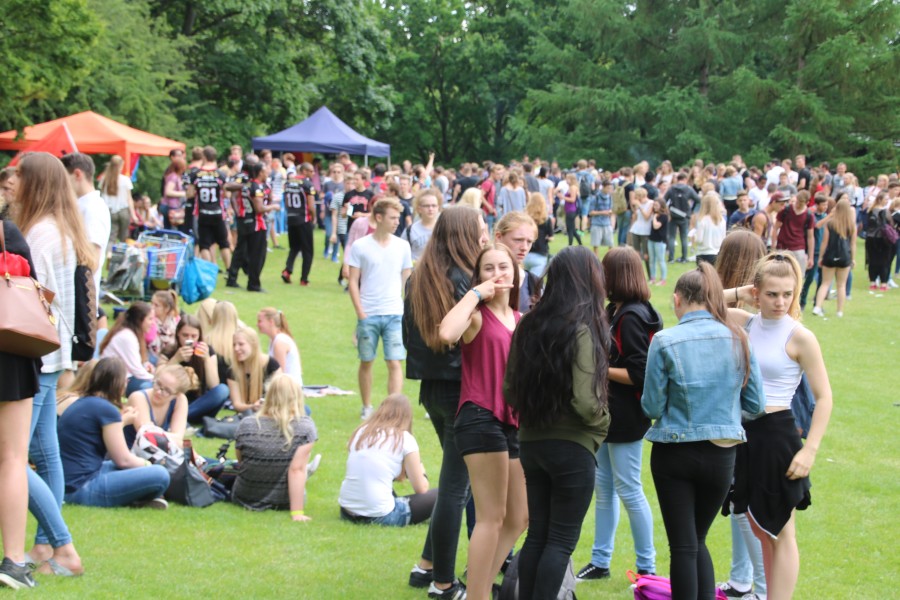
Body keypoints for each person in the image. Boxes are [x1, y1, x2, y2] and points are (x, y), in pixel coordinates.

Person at [642, 263, 765, 600]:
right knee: (696, 539)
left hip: (674, 450)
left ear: (678, 299)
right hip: (721, 453)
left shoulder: (665, 340)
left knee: (684, 545)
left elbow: (651, 407)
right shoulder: (739, 337)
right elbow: (755, 404)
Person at [504, 246, 612, 599]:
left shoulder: (527, 324)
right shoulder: (582, 330)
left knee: (538, 535)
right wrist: (603, 421)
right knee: (560, 541)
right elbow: (585, 401)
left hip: (532, 443)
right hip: (572, 447)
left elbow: (509, 389)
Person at [725, 253, 833, 600]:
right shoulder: (745, 322)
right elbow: (698, 303)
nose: (781, 301)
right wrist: (742, 291)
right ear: (758, 293)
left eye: (788, 293)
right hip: (744, 435)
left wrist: (810, 451)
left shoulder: (801, 337)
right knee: (759, 529)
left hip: (778, 435)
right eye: (772, 293)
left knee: (783, 531)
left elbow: (824, 398)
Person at [11, 152, 96, 580]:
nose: (12, 184)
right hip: (54, 352)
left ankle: (61, 545)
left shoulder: (41, 234)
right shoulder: (65, 229)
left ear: (35, 184)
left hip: (35, 353)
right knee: (45, 452)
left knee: (12, 459)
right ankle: (47, 544)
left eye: (18, 178)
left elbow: (31, 298)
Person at [403, 206, 488, 595]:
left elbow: (410, 339)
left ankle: (426, 565)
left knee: (455, 484)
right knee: (457, 489)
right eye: (481, 229)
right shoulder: (465, 282)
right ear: (464, 235)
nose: (486, 236)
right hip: (461, 389)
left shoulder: (420, 276)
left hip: (432, 390)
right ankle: (443, 582)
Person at [438, 243, 526, 600]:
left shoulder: (521, 319)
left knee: (519, 517)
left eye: (503, 267)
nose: (497, 274)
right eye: (488, 269)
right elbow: (446, 333)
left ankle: (478, 589)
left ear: (516, 272)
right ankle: (477, 595)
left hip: (514, 421)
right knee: (491, 516)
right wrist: (474, 294)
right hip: (479, 417)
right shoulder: (475, 315)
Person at [578, 246, 661, 583]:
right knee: (605, 488)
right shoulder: (619, 310)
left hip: (625, 417)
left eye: (604, 271)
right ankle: (600, 560)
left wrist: (599, 367)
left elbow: (640, 372)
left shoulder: (631, 317)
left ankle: (647, 568)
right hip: (611, 415)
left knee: (628, 489)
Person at [713, 230, 768, 600]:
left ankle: (757, 587)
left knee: (745, 507)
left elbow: (704, 302)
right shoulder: (756, 308)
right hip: (751, 415)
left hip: (741, 415)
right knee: (739, 504)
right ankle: (741, 580)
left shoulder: (745, 313)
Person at [58, 357, 171, 509]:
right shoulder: (106, 409)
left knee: (120, 466)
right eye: (125, 380)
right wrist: (148, 464)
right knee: (160, 474)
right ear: (117, 383)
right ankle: (145, 495)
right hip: (81, 487)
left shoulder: (83, 402)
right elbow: (123, 459)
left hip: (68, 482)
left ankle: (142, 496)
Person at [0, 219, 42, 588]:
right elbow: (34, 291)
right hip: (10, 352)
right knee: (13, 458)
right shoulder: (7, 233)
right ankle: (13, 560)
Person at [347, 197, 413, 419]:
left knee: (394, 361)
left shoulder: (402, 246)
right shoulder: (361, 246)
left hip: (395, 313)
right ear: (379, 217)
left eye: (398, 218)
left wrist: (407, 309)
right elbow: (353, 281)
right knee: (367, 360)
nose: (397, 222)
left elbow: (407, 281)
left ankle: (393, 410)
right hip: (369, 313)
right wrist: (360, 313)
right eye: (393, 218)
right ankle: (367, 406)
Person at [339, 393, 437, 526]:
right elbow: (421, 489)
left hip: (347, 511)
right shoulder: (405, 438)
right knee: (442, 495)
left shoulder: (361, 432)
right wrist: (421, 471)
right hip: (379, 516)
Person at [233, 375, 317, 518]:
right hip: (284, 500)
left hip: (244, 497)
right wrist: (297, 513)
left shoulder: (246, 424)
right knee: (299, 466)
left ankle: (303, 468)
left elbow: (242, 461)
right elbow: (296, 470)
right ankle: (305, 469)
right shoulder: (305, 427)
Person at [160, 315, 229, 425]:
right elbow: (158, 378)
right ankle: (181, 419)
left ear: (199, 336)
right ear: (178, 334)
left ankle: (180, 418)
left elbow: (214, 385)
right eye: (185, 335)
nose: (189, 340)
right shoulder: (169, 351)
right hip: (176, 401)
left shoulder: (207, 350)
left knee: (223, 389)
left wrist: (206, 359)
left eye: (194, 336)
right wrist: (175, 360)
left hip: (201, 403)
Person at [123, 364, 190, 449]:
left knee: (207, 461)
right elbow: (147, 436)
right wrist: (171, 437)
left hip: (160, 454)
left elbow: (178, 437)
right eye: (158, 384)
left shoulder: (180, 400)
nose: (158, 391)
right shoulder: (138, 397)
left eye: (167, 390)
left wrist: (154, 431)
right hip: (132, 455)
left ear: (176, 395)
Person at [185, 146, 232, 268]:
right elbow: (227, 194)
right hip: (217, 212)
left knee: (204, 245)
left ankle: (209, 269)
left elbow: (189, 194)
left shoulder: (196, 174)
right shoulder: (220, 174)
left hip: (202, 212)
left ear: (204, 157)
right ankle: (229, 271)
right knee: (223, 243)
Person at [99, 302, 155, 396]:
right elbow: (136, 370)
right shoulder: (127, 337)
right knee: (148, 387)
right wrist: (156, 380)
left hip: (124, 375)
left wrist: (145, 365)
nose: (152, 323)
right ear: (140, 320)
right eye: (150, 319)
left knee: (153, 360)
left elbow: (135, 363)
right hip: (114, 381)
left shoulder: (132, 334)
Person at [813, 198, 856, 317]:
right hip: (844, 256)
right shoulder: (851, 225)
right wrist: (853, 258)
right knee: (841, 285)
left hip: (830, 256)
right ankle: (839, 311)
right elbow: (853, 243)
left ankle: (817, 306)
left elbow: (824, 242)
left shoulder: (830, 223)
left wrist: (821, 257)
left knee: (825, 283)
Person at [226, 326, 281, 413]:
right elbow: (237, 405)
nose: (236, 349)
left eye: (241, 344)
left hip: (271, 411)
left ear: (253, 344)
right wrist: (253, 407)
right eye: (234, 345)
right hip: (248, 414)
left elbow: (280, 395)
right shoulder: (233, 371)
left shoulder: (271, 364)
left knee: (304, 409)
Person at [494, 211, 539, 313]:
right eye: (518, 240)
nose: (524, 247)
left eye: (529, 242)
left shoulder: (533, 283)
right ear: (498, 237)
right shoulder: (480, 278)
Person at [281, 162, 317, 286]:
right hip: (304, 219)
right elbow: (311, 205)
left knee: (294, 247)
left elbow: (286, 200)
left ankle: (287, 270)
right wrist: (313, 217)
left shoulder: (288, 182)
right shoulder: (307, 184)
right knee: (308, 250)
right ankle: (304, 279)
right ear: (305, 171)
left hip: (291, 218)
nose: (313, 174)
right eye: (311, 171)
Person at [257, 307, 303, 386]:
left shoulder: (280, 342)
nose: (257, 324)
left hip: (289, 389)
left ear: (271, 322)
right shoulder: (273, 340)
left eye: (260, 321)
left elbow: (279, 374)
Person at [99, 155, 136, 248]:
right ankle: (120, 257)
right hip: (123, 211)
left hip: (109, 211)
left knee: (110, 237)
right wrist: (133, 215)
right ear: (121, 166)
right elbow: (129, 199)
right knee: (123, 237)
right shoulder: (125, 180)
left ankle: (108, 256)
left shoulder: (104, 179)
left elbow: (102, 196)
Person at [402, 188, 441, 263]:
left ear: (438, 208)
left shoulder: (444, 228)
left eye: (434, 206)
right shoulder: (410, 231)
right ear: (419, 209)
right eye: (427, 206)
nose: (430, 209)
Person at [864, 192, 893, 290]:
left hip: (870, 238)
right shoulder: (884, 212)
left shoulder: (870, 210)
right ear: (880, 199)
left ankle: (873, 282)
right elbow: (889, 225)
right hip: (883, 239)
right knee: (884, 260)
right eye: (886, 199)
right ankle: (884, 283)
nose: (887, 200)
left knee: (872, 260)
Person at [523, 192, 553, 278]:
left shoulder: (525, 219)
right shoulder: (546, 220)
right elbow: (551, 237)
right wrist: (546, 238)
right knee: (535, 284)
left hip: (525, 253)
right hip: (540, 254)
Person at [694, 192, 727, 266]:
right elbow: (724, 238)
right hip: (717, 253)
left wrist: (694, 236)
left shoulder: (702, 220)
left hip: (703, 253)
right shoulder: (721, 220)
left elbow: (699, 239)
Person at [150, 289, 180, 360]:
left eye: (156, 305)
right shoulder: (150, 321)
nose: (152, 307)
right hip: (153, 355)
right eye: (151, 303)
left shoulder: (174, 322)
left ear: (167, 309)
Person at [588, 180, 614, 259]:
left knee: (611, 244)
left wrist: (610, 213)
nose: (610, 190)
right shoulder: (595, 197)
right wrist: (603, 212)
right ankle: (596, 262)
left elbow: (611, 209)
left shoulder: (610, 197)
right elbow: (591, 212)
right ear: (603, 187)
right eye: (608, 188)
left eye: (611, 188)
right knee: (596, 245)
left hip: (607, 223)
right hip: (597, 224)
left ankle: (610, 260)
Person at [648, 200, 669, 285]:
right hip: (651, 239)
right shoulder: (654, 214)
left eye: (656, 205)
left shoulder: (664, 216)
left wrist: (654, 217)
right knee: (652, 260)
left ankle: (663, 279)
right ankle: (653, 278)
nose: (655, 207)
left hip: (659, 241)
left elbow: (656, 226)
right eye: (654, 205)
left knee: (661, 260)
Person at [561, 173, 582, 246]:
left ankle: (570, 244)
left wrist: (562, 197)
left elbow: (573, 199)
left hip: (571, 210)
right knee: (572, 229)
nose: (566, 180)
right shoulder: (572, 187)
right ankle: (580, 244)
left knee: (570, 229)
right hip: (570, 210)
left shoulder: (573, 187)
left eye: (567, 179)